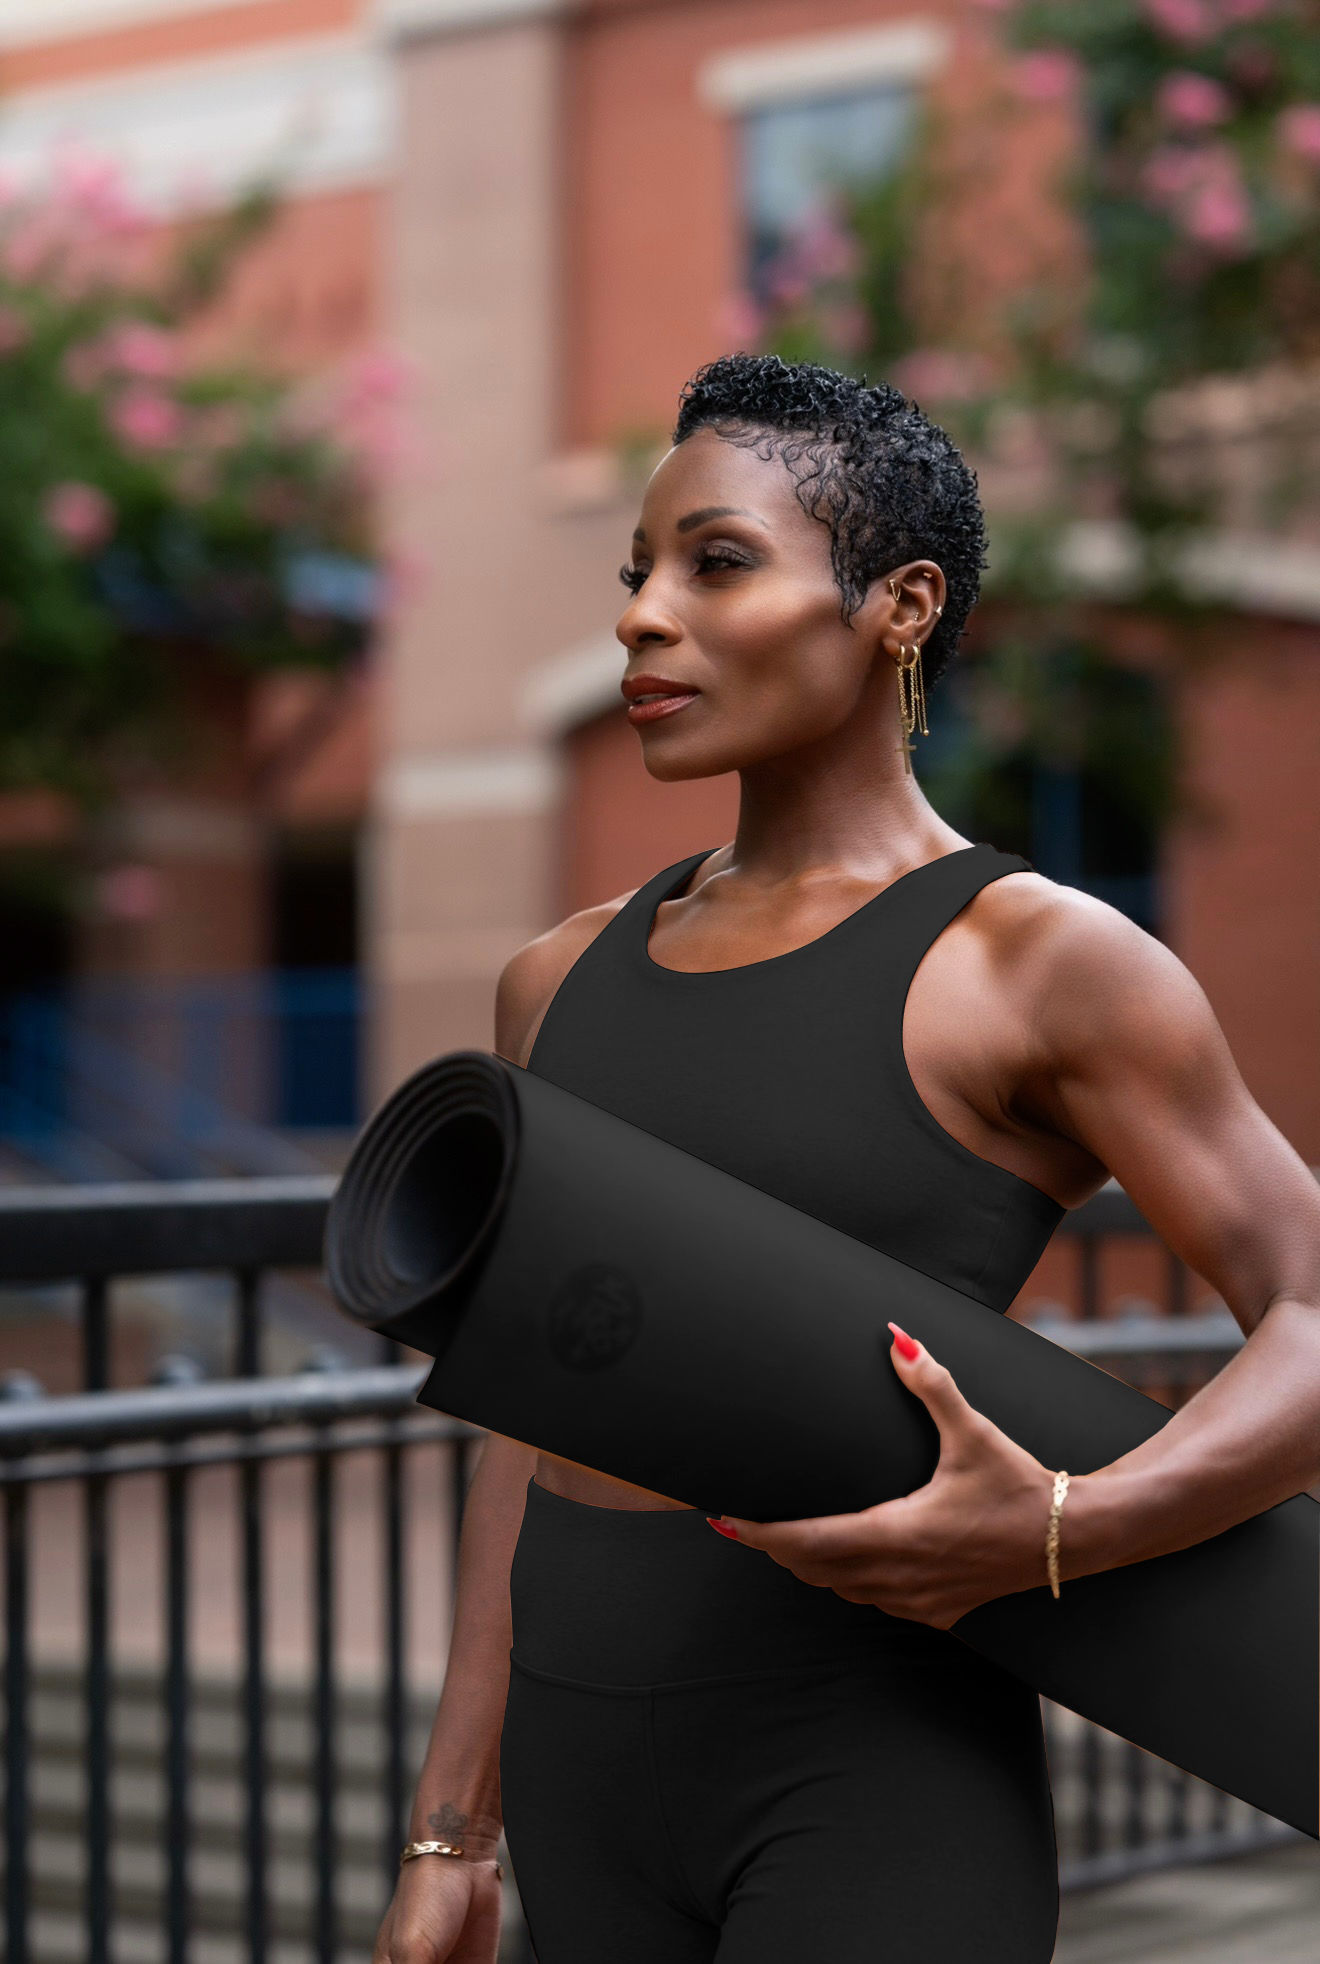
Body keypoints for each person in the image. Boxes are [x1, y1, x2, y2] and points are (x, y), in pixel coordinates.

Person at [372, 353, 1320, 1964]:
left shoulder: (1038, 963)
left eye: (716, 563)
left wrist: (1071, 1521)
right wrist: (454, 1828)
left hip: (872, 1769)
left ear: (901, 605)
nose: (642, 618)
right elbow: (525, 1424)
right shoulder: (555, 978)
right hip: (580, 1766)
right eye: (637, 573)